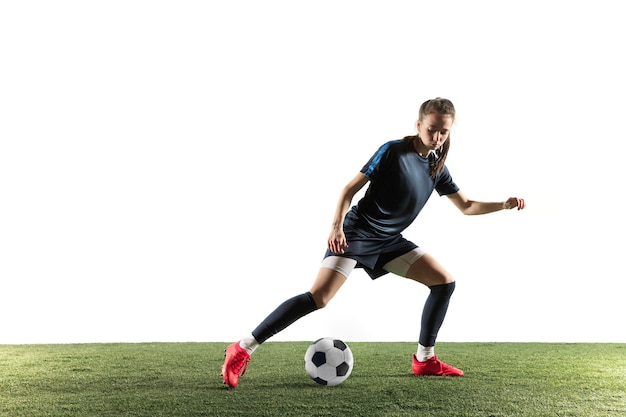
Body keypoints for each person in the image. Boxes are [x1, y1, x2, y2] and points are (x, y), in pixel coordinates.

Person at [220, 97, 525, 388]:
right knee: (320, 297)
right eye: (431, 129)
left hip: (389, 241)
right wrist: (337, 227)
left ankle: (425, 360)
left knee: (444, 282)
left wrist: (503, 204)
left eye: (443, 131)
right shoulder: (393, 151)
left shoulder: (436, 167)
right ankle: (243, 347)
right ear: (418, 124)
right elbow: (349, 189)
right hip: (358, 233)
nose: (436, 137)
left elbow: (467, 206)